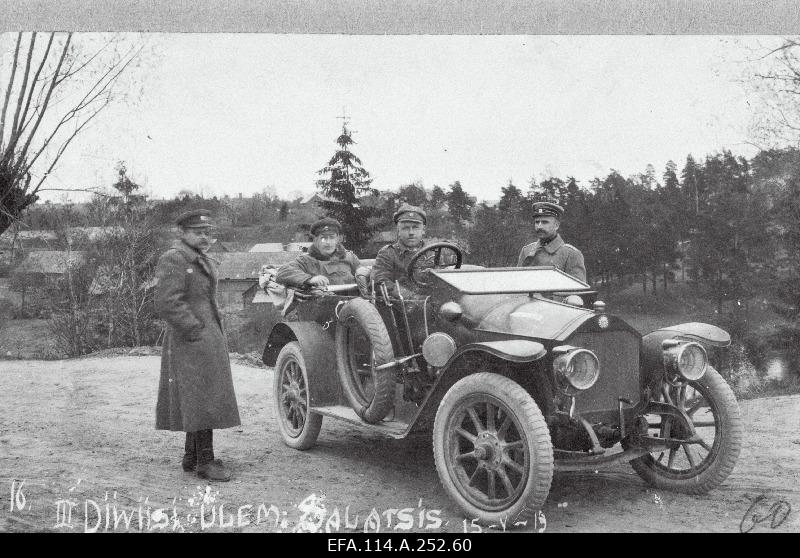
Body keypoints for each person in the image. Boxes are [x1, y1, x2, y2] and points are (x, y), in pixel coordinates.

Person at [154, 209, 240, 482]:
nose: (203, 237)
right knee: (204, 397)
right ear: (183, 233)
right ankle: (206, 461)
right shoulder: (174, 258)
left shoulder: (197, 258)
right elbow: (168, 302)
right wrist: (194, 329)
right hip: (191, 338)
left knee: (200, 395)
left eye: (206, 233)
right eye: (197, 232)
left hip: (205, 336)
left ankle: (191, 456)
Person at [276, 217, 360, 290]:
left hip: (352, 302)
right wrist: (310, 279)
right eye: (323, 238)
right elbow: (282, 273)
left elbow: (362, 274)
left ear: (337, 239)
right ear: (316, 240)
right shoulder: (306, 260)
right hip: (323, 304)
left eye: (332, 238)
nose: (328, 242)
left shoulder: (350, 257)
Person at [517, 201, 586, 281]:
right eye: (537, 222)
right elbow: (518, 284)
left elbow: (577, 291)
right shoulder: (527, 251)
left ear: (556, 225)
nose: (539, 226)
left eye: (544, 222)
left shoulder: (571, 254)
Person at [371, 204, 428, 297]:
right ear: (398, 230)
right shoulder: (388, 253)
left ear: (423, 230)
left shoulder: (434, 252)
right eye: (406, 228)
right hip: (402, 306)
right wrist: (412, 297)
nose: (411, 233)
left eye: (415, 227)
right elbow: (379, 282)